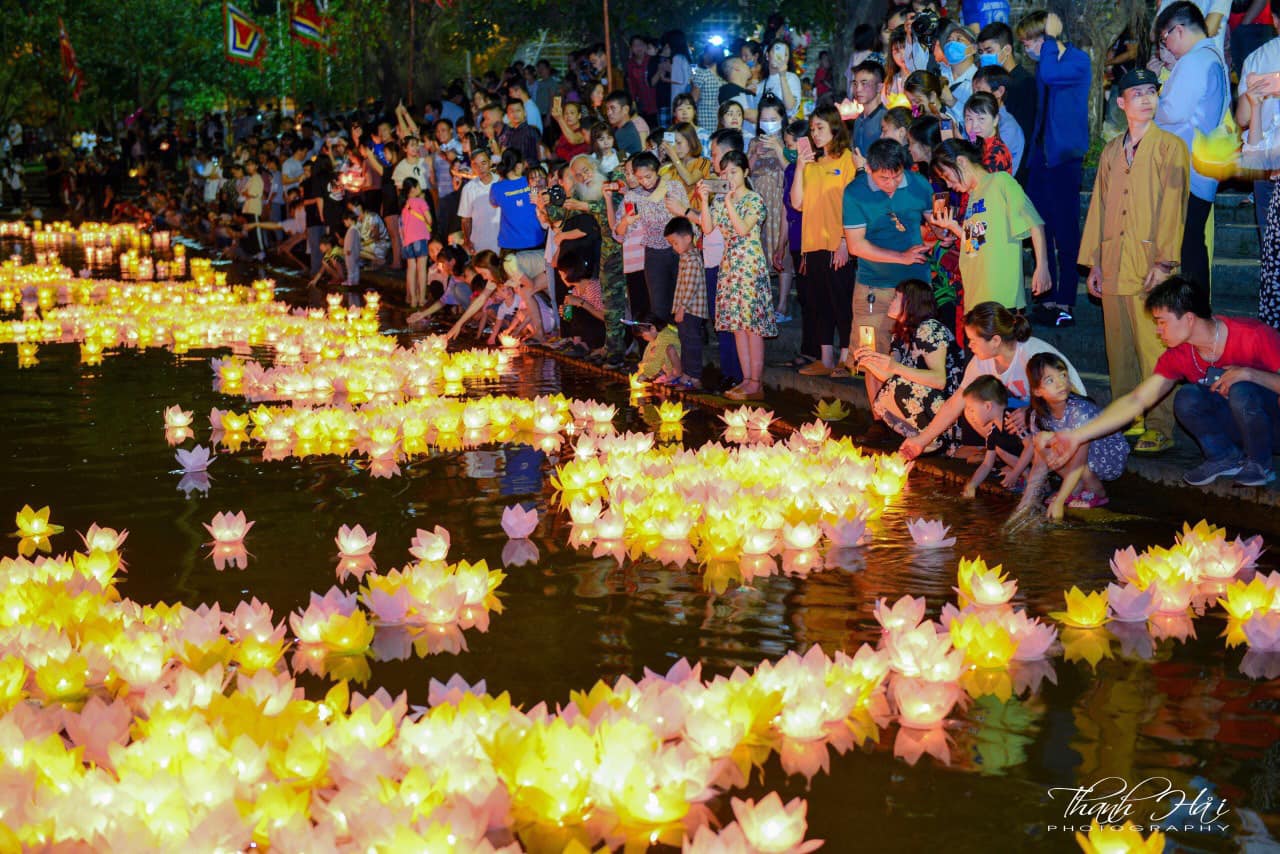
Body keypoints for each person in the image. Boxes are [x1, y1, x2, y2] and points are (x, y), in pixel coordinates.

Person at [1041, 276, 1280, 487]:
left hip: (1273, 426)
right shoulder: (1180, 354)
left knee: (1242, 389)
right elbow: (1136, 400)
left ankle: (1260, 464)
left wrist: (1250, 374)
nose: (1158, 330)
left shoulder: (1253, 335)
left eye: (1162, 321)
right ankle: (1224, 457)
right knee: (1187, 397)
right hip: (1236, 424)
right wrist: (1077, 436)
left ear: (1188, 318)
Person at [1079, 68, 1189, 456]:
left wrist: (1165, 262)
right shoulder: (1111, 151)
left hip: (1149, 265)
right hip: (1113, 263)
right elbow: (1099, 208)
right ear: (1121, 103)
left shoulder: (1171, 147)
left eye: (1150, 92)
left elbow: (1174, 206)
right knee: (1120, 349)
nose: (1145, 99)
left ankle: (1160, 426)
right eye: (1136, 94)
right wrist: (1094, 261)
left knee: (1154, 350)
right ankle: (1127, 419)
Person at [901, 301, 1085, 459]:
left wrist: (1030, 411)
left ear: (995, 340)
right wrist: (921, 441)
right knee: (974, 407)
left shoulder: (1032, 355)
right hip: (1031, 420)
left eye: (973, 340)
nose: (970, 346)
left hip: (1068, 421)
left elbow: (1069, 396)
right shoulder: (983, 361)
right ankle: (1020, 463)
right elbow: (955, 403)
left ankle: (1048, 467)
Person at [1154, 1, 1231, 318]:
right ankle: (1196, 311)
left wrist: (1151, 108)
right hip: (1198, 165)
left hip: (1187, 167)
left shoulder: (1196, 61)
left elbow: (1172, 111)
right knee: (1191, 242)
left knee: (1189, 245)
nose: (1166, 47)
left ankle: (1195, 314)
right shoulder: (1210, 57)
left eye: (1165, 39)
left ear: (1179, 30)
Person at [841, 139, 933, 400]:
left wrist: (939, 235)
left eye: (896, 176)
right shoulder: (855, 192)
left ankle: (916, 412)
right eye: (884, 178)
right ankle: (880, 416)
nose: (891, 184)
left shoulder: (918, 185)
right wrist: (901, 257)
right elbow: (856, 245)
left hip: (915, 286)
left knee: (917, 349)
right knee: (873, 352)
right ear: (869, 169)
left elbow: (932, 224)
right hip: (875, 284)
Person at [1017, 11, 1091, 328]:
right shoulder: (1048, 59)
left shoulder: (1076, 60)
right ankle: (1045, 297)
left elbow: (1049, 74)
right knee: (1040, 228)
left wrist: (1049, 42)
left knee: (1066, 232)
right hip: (1042, 158)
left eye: (1031, 40)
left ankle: (1065, 303)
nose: (1028, 48)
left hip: (1064, 161)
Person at [926, 139, 1050, 311]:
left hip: (1000, 297)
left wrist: (1042, 266)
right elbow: (976, 245)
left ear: (961, 161)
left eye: (947, 176)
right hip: (977, 298)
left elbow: (1034, 222)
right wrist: (953, 227)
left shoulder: (1000, 181)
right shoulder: (973, 196)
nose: (948, 184)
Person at [697, 149, 776, 401]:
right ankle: (746, 379)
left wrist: (728, 201)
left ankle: (756, 382)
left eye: (733, 171)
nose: (728, 177)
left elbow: (742, 229)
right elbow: (707, 229)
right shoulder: (720, 201)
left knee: (751, 326)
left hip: (750, 264)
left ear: (745, 172)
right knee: (738, 326)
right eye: (723, 172)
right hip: (730, 264)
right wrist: (704, 199)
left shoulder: (754, 199)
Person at [854, 278, 963, 452]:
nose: (891, 301)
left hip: (949, 406)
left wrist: (894, 367)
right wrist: (869, 361)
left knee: (898, 387)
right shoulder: (901, 332)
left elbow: (939, 379)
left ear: (910, 303)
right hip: (926, 398)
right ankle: (915, 436)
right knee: (877, 377)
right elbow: (889, 376)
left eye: (896, 297)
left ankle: (936, 440)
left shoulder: (930, 328)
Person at [792, 105, 858, 377]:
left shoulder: (846, 159)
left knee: (841, 301)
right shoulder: (812, 164)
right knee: (819, 303)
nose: (815, 134)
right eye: (812, 129)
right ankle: (826, 358)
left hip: (837, 242)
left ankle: (846, 358)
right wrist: (799, 165)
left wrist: (845, 240)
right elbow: (797, 203)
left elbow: (853, 203)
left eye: (820, 128)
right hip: (812, 244)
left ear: (834, 127)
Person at [1025, 352, 1131, 516]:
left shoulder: (1080, 411)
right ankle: (1075, 487)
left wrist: (1060, 500)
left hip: (1107, 455)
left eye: (1063, 375)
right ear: (1037, 391)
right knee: (1040, 440)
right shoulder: (1037, 417)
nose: (1061, 383)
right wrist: (1026, 502)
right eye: (1050, 380)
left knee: (1054, 440)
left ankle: (1097, 492)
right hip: (1076, 457)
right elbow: (1039, 462)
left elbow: (1079, 463)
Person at [618, 151, 688, 321]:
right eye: (640, 178)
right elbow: (619, 233)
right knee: (658, 304)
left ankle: (687, 342)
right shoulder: (632, 196)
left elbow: (688, 217)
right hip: (654, 252)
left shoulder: (673, 187)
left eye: (648, 176)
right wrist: (627, 221)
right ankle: (663, 344)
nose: (645, 182)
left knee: (683, 300)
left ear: (657, 170)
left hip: (678, 248)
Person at [976, 23, 1038, 176]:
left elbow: (1025, 133)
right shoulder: (990, 81)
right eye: (981, 52)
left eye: (989, 51)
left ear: (1007, 50)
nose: (984, 56)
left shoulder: (1023, 83)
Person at [960, 376, 1030, 496]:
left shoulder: (1012, 419)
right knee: (998, 448)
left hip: (1047, 456)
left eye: (972, 409)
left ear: (988, 406)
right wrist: (972, 485)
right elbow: (987, 464)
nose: (971, 415)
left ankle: (1035, 482)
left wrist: (1015, 473)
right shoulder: (993, 431)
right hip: (1028, 462)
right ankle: (1028, 477)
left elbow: (1031, 447)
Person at [490, 150, 548, 293]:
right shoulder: (530, 180)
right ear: (517, 165)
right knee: (539, 288)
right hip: (535, 242)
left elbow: (493, 203)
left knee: (519, 291)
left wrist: (501, 178)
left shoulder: (497, 188)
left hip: (510, 246)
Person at [664, 216, 708, 389]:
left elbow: (691, 285)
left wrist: (682, 308)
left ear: (688, 238)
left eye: (675, 243)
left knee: (691, 342)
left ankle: (694, 377)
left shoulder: (692, 259)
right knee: (686, 341)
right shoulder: (686, 257)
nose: (674, 248)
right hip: (686, 309)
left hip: (691, 310)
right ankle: (687, 374)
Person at [747, 97, 788, 279]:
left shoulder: (787, 141)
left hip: (779, 199)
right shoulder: (754, 141)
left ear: (782, 119)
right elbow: (745, 171)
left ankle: (783, 302)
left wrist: (778, 148)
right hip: (758, 197)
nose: (769, 124)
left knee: (781, 242)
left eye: (773, 120)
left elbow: (791, 170)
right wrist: (755, 154)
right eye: (765, 120)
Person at [971, 66, 1027, 177]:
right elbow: (972, 145)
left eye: (979, 91)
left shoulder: (1007, 127)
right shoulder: (978, 120)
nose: (974, 96)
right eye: (973, 91)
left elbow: (986, 161)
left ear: (999, 91)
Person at [963, 92, 1015, 174]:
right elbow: (972, 139)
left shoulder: (997, 154)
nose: (974, 126)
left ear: (995, 120)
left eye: (981, 119)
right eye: (969, 119)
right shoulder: (978, 140)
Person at [401, 177, 433, 307]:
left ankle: (412, 299)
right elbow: (429, 220)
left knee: (411, 269)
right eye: (419, 186)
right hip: (420, 238)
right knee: (421, 269)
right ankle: (421, 299)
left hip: (407, 241)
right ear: (413, 188)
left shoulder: (405, 205)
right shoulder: (420, 201)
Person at [849, 61, 887, 158]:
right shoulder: (858, 120)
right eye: (855, 84)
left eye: (864, 84)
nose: (858, 89)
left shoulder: (886, 119)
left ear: (879, 87)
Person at [633, 313, 682, 381]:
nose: (643, 338)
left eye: (643, 335)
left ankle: (677, 375)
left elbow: (658, 359)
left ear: (653, 328)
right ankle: (668, 374)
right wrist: (642, 366)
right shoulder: (657, 336)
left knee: (670, 349)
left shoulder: (666, 337)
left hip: (684, 363)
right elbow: (647, 354)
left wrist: (645, 374)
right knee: (653, 350)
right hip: (670, 364)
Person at [627, 35, 660, 125]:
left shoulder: (652, 60)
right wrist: (633, 101)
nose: (638, 48)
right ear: (631, 48)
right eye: (635, 45)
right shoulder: (631, 64)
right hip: (642, 104)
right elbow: (632, 85)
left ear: (646, 46)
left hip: (657, 101)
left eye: (640, 44)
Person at [691, 44, 725, 130]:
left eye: (705, 53)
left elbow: (693, 99)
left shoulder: (702, 74)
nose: (703, 56)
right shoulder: (723, 77)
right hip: (720, 120)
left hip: (703, 119)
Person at [604, 91, 645, 156]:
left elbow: (603, 155)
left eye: (613, 108)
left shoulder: (626, 132)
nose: (608, 113)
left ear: (626, 109)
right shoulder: (624, 128)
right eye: (607, 109)